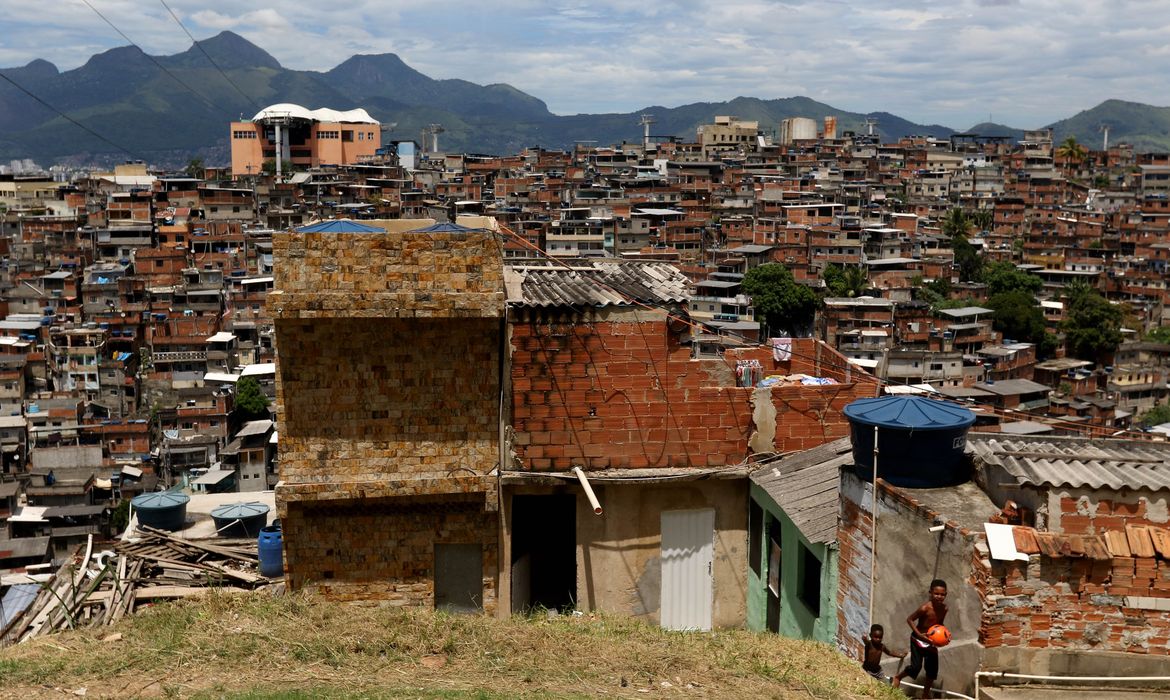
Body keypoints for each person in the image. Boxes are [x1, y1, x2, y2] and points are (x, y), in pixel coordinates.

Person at [892, 578, 948, 698]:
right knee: (915, 667)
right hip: (917, 640)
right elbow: (910, 619)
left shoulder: (944, 609)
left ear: (946, 595)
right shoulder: (925, 608)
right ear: (930, 593)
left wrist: (944, 636)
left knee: (932, 671)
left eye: (942, 594)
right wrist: (918, 634)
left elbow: (940, 624)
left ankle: (925, 695)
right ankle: (898, 677)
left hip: (931, 641)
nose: (939, 596)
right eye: (936, 593)